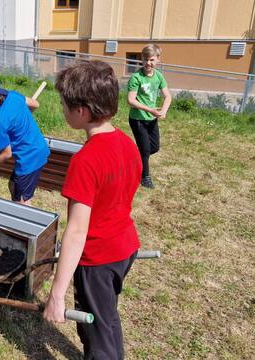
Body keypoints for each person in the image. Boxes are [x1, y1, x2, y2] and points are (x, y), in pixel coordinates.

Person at [43, 60, 142, 360]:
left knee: (95, 335)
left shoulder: (85, 161)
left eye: (64, 105)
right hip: (126, 248)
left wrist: (57, 294)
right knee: (106, 315)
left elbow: (76, 231)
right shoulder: (127, 143)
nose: (62, 109)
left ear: (81, 111)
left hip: (98, 260)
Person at [0, 72, 50, 205]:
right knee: (14, 186)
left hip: (29, 159)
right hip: (40, 148)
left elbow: (7, 154)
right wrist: (21, 115)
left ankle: (29, 222)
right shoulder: (13, 96)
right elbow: (35, 104)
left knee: (21, 202)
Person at [127, 44, 172, 189]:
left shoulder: (159, 76)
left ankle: (133, 158)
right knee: (145, 149)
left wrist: (163, 111)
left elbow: (167, 96)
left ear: (158, 59)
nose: (148, 63)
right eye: (145, 59)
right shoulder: (136, 77)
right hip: (137, 119)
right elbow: (131, 100)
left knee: (154, 147)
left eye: (152, 60)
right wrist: (149, 109)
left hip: (152, 119)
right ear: (142, 59)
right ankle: (144, 177)